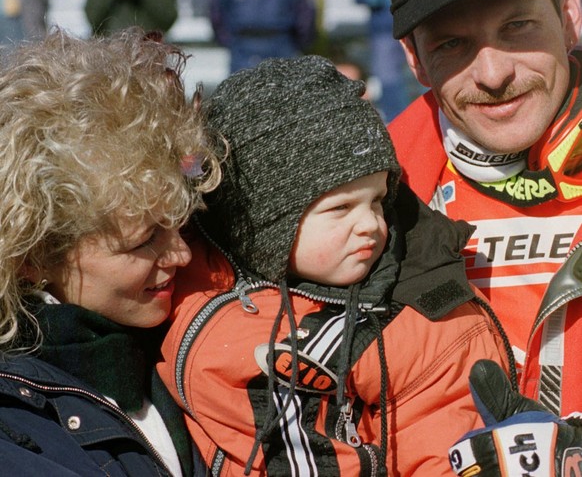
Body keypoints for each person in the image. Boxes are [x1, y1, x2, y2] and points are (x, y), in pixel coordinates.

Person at [158, 54, 514, 476]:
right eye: (341, 207)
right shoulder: (177, 273)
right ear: (263, 220)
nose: (371, 225)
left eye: (378, 200)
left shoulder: (419, 314)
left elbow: (441, 440)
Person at [383, 0, 582, 423]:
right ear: (414, 59)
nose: (493, 74)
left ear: (569, 15)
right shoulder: (373, 202)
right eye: (452, 43)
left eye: (517, 27)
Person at [0, 27, 220, 475]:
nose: (180, 255)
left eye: (180, 224)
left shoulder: (181, 342)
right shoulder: (15, 426)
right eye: (143, 241)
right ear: (35, 258)